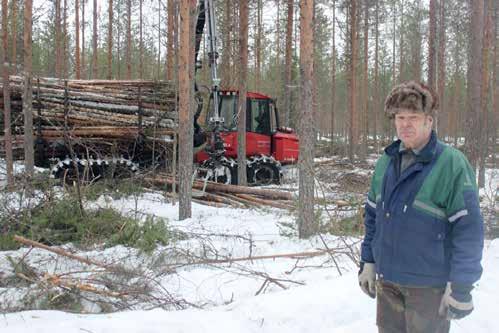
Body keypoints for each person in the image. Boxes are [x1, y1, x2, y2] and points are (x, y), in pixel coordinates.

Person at [358, 81, 484, 333]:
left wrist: (461, 286)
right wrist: (368, 260)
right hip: (388, 284)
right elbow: (373, 215)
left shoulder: (451, 164)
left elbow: (469, 230)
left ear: (429, 121)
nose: (405, 124)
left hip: (428, 289)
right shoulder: (386, 161)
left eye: (413, 117)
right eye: (400, 117)